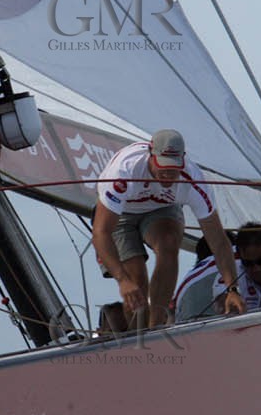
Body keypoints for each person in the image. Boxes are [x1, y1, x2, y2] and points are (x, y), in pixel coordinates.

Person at [92, 129, 243, 328]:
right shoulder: (124, 172)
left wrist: (232, 289)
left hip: (162, 210)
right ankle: (135, 335)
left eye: (174, 168)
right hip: (120, 215)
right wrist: (122, 280)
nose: (168, 174)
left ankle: (157, 326)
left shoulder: (193, 181)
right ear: (151, 155)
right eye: (162, 166)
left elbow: (218, 240)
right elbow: (101, 232)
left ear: (183, 161)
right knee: (135, 281)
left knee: (169, 243)